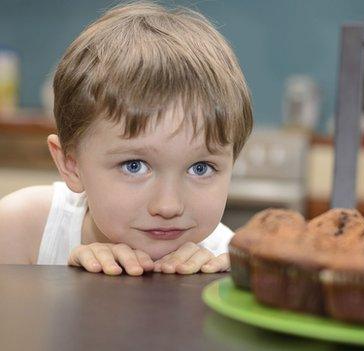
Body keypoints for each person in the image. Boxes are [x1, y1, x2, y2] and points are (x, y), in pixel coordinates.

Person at [0, 1, 253, 276]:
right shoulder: (22, 229)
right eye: (134, 165)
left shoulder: (228, 264)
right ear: (71, 164)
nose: (168, 206)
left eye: (200, 168)